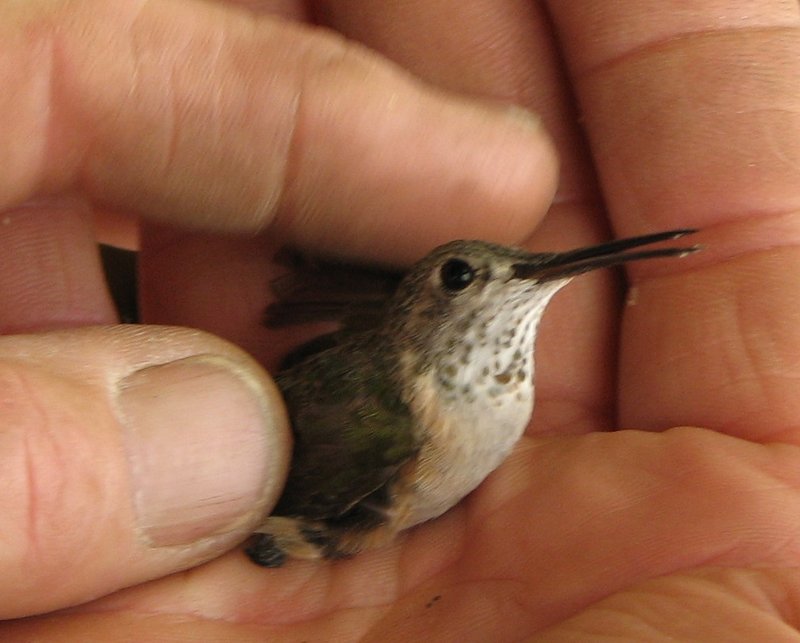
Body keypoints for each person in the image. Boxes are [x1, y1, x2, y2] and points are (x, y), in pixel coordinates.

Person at [3, 1, 799, 639]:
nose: (529, 276)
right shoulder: (388, 421)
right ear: (420, 308)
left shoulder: (490, 389)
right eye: (464, 277)